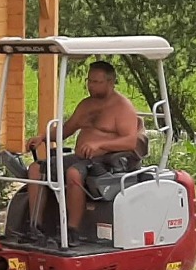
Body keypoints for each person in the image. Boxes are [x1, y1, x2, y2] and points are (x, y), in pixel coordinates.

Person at [27, 59, 149, 235]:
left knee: (74, 173)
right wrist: (43, 137)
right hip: (81, 157)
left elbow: (130, 142)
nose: (91, 86)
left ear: (110, 82)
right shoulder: (86, 105)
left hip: (108, 161)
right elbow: (66, 130)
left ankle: (72, 230)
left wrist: (100, 144)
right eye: (89, 81)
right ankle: (35, 226)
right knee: (36, 169)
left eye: (96, 82)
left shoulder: (122, 107)